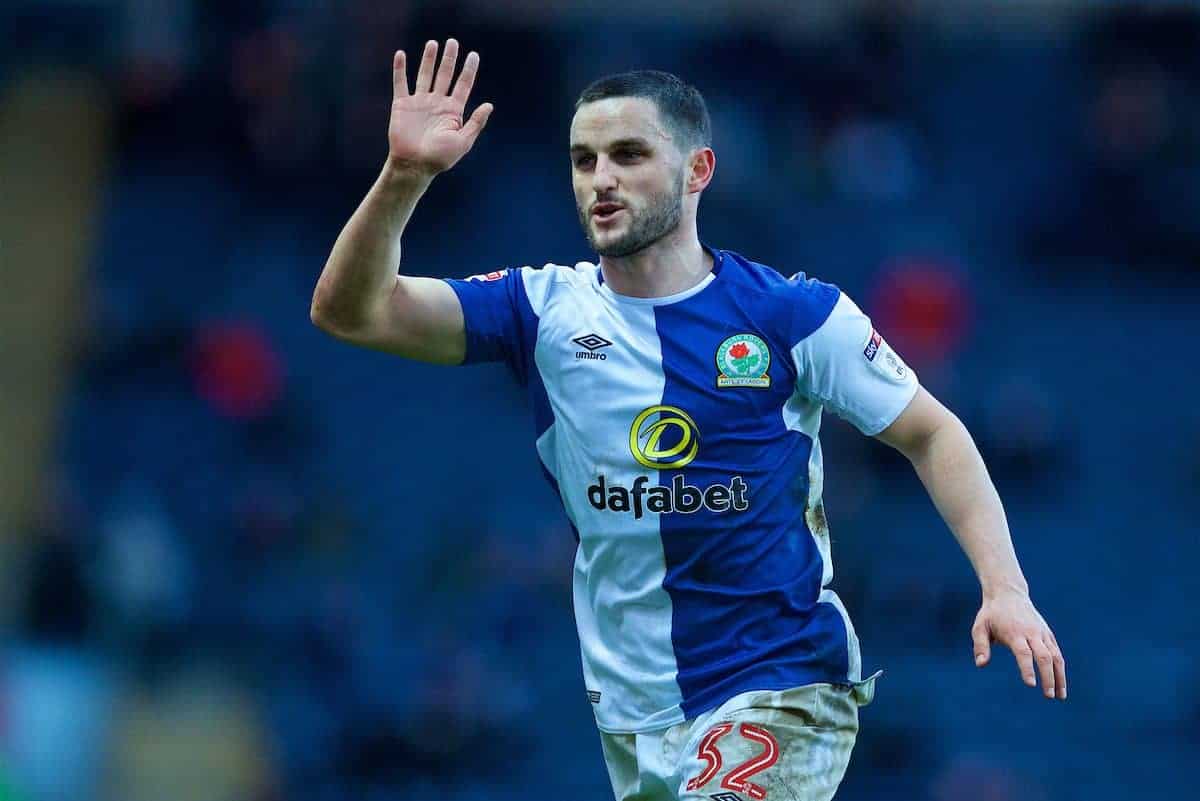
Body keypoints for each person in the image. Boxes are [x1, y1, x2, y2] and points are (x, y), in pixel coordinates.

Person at [310, 39, 1067, 801]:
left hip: (782, 685)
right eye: (583, 160)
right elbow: (351, 312)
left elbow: (933, 431)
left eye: (629, 154)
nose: (601, 179)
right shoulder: (538, 308)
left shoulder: (790, 314)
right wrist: (404, 177)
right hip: (635, 713)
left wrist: (1005, 586)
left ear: (697, 171)